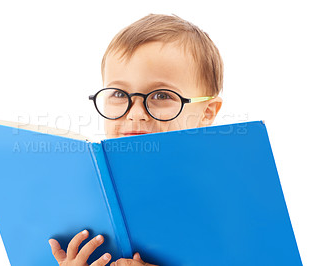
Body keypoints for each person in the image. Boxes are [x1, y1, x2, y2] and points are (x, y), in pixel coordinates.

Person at [49, 13, 223, 266]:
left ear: (207, 112)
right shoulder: (82, 193)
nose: (136, 114)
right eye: (119, 93)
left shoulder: (218, 199)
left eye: (162, 96)